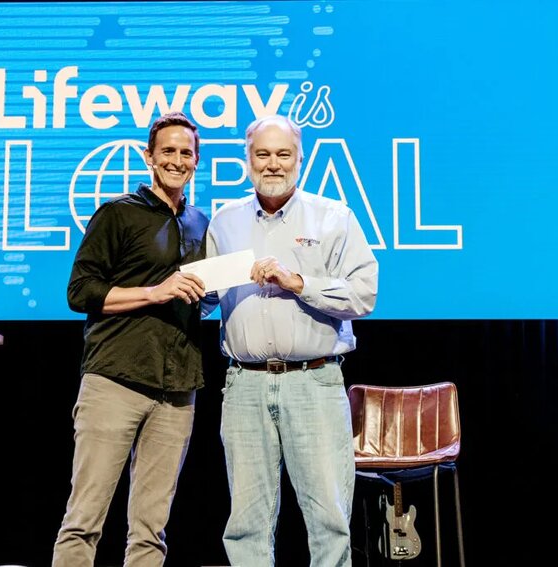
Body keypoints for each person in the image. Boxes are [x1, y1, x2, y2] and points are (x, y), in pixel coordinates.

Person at [203, 115, 379, 566]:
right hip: (244, 384)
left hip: (314, 381)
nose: (273, 164)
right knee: (246, 525)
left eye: (283, 154)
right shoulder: (224, 222)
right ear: (247, 160)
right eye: (262, 154)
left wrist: (297, 282)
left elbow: (363, 293)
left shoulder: (334, 217)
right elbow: (205, 299)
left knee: (329, 519)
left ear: (300, 159)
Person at [53, 111, 208, 567]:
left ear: (196, 160)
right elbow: (80, 292)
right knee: (84, 520)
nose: (177, 160)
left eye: (186, 152)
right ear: (149, 157)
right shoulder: (117, 213)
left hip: (177, 389)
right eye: (168, 152)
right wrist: (154, 292)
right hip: (114, 381)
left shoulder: (200, 222)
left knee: (151, 531)